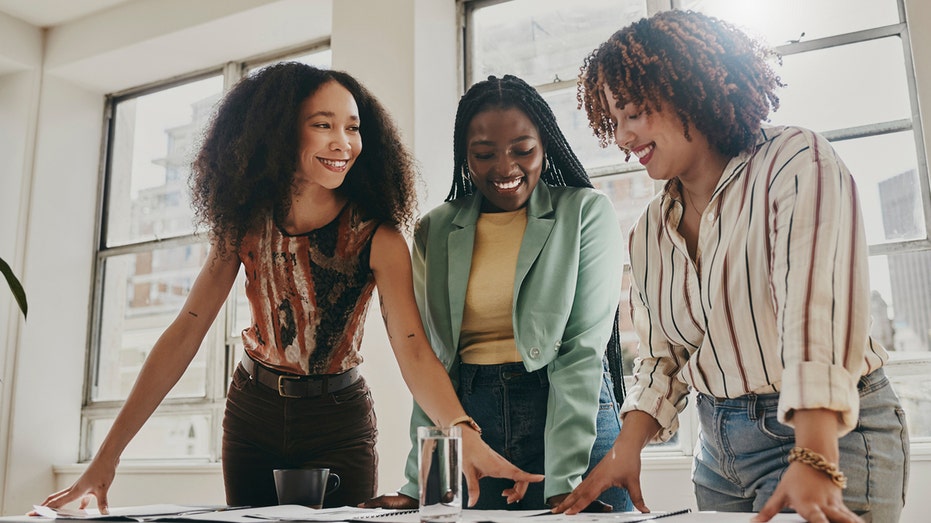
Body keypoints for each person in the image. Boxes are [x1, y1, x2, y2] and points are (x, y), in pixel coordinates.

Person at [38, 63, 542, 512]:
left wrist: (462, 433)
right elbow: (185, 334)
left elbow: (413, 349)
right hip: (252, 412)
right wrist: (105, 462)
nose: (343, 141)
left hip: (338, 420)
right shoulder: (244, 227)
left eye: (352, 127)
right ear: (278, 133)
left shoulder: (380, 237)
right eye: (323, 125)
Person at [553, 10, 910, 523]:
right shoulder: (649, 230)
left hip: (831, 432)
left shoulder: (795, 161)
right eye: (614, 120)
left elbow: (817, 317)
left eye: (632, 113)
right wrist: (623, 450)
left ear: (686, 90)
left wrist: (814, 454)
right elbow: (663, 359)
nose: (622, 138)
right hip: (718, 451)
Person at [364, 74, 633, 512]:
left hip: (571, 419)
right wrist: (419, 481)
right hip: (474, 427)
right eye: (484, 154)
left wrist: (563, 480)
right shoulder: (436, 229)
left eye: (522, 151)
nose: (505, 168)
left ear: (545, 146)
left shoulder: (585, 212)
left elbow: (581, 351)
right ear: (464, 157)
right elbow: (433, 362)